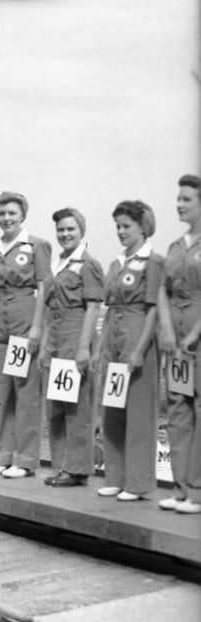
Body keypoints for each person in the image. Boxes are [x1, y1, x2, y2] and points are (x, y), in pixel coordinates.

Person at [0, 192, 51, 478]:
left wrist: (37, 327)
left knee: (26, 390)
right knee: (1, 392)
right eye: (2, 214)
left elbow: (43, 288)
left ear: (23, 215)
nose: (6, 219)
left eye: (12, 214)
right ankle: (3, 455)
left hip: (23, 316)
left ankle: (26, 459)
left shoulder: (37, 246)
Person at [96, 201, 163, 501]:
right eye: (118, 226)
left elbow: (154, 310)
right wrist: (102, 348)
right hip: (113, 338)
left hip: (138, 337)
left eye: (127, 226)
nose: (121, 232)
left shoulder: (154, 262)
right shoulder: (116, 263)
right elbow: (108, 307)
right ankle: (115, 475)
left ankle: (136, 483)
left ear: (142, 226)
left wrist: (139, 349)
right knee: (112, 410)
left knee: (138, 412)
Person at [39, 208, 104, 487]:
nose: (65, 234)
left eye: (70, 230)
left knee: (76, 406)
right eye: (61, 230)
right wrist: (44, 343)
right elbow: (47, 305)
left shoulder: (88, 264)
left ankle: (77, 469)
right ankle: (62, 465)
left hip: (75, 334)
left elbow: (93, 307)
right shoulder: (58, 263)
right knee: (56, 405)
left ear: (81, 231)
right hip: (54, 337)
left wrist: (83, 348)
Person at [157, 174, 201, 514]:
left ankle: (198, 491)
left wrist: (194, 332)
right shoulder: (174, 247)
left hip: (197, 339)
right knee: (178, 409)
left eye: (186, 199)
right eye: (178, 198)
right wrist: (168, 330)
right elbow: (162, 290)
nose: (179, 204)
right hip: (176, 343)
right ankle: (181, 488)